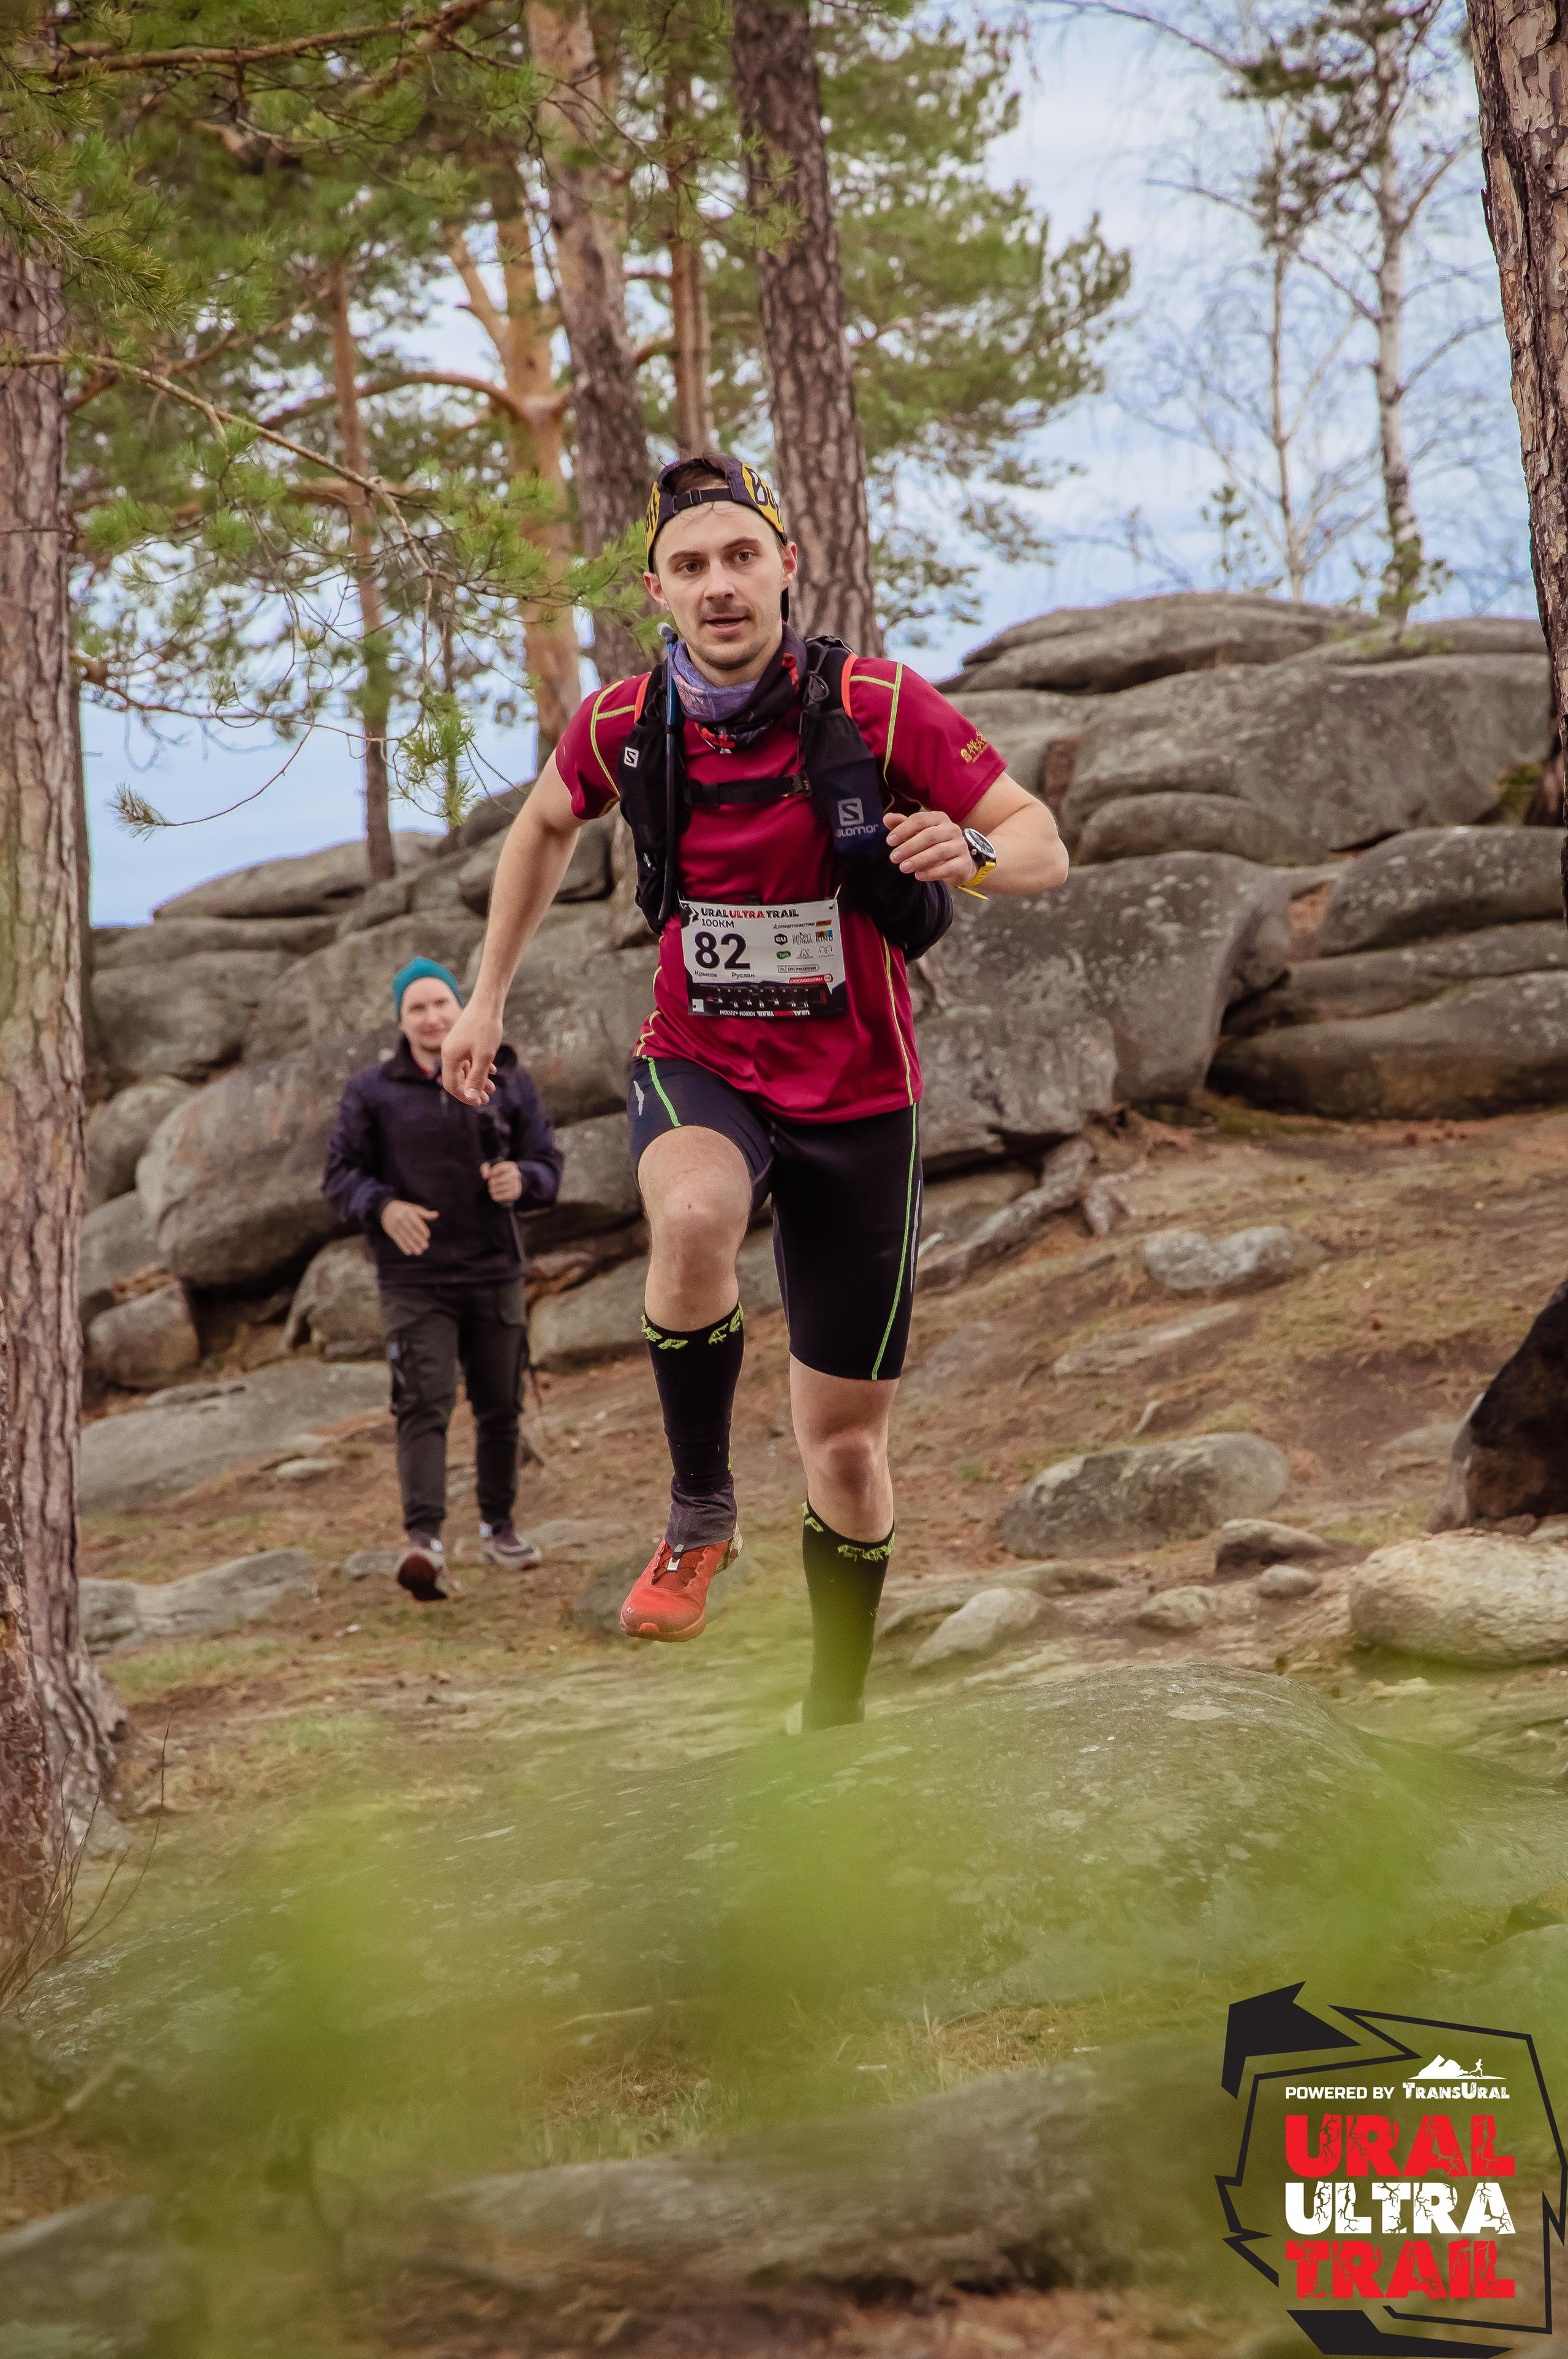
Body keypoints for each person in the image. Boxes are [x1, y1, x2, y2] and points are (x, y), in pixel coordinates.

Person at [440, 453, 1068, 1726]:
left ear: (786, 564)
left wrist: (970, 849)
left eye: (740, 557)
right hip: (702, 1060)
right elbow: (544, 823)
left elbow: (1040, 842)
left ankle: (833, 1710)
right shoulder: (623, 723)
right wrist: (487, 993)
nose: (718, 585)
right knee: (688, 1220)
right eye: (689, 566)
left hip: (860, 1098)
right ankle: (697, 1514)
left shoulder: (878, 704)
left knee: (846, 1446)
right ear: (657, 592)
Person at [324, 956, 564, 1601]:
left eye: (441, 1004)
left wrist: (523, 1179)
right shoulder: (371, 1091)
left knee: (500, 1406)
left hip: (494, 1268)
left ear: (462, 1008)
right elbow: (339, 1176)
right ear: (400, 1020)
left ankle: (499, 1529)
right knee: (423, 1403)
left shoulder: (504, 1075)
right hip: (414, 1280)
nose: (432, 1018)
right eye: (417, 1008)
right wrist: (383, 1206)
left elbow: (547, 1163)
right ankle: (424, 1544)